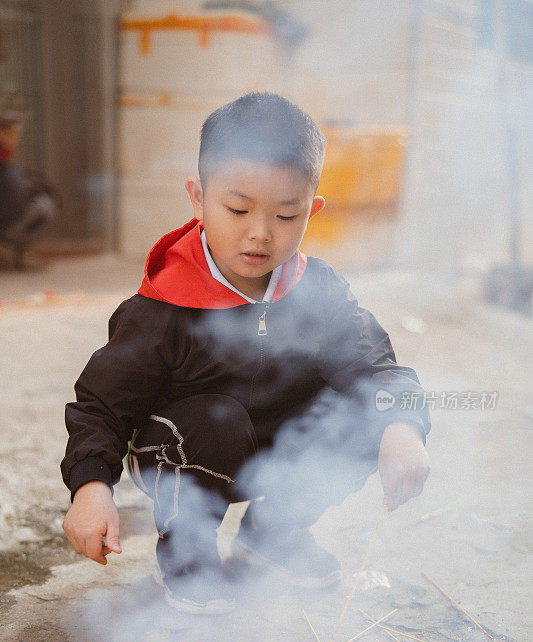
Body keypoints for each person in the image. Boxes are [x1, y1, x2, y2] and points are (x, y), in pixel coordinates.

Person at [61, 93, 431, 614]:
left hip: (274, 454)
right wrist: (91, 485)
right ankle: (187, 551)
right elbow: (101, 404)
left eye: (285, 214)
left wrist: (402, 427)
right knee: (218, 419)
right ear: (198, 199)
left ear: (312, 209)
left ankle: (271, 533)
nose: (260, 233)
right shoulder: (164, 305)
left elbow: (373, 366)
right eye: (237, 209)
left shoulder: (317, 289)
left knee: (364, 411)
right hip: (186, 452)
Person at [0, 100, 57, 269]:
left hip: (11, 219)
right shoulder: (6, 171)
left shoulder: (7, 167)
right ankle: (10, 253)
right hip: (9, 224)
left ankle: (13, 252)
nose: (16, 137)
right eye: (9, 132)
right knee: (43, 206)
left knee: (42, 203)